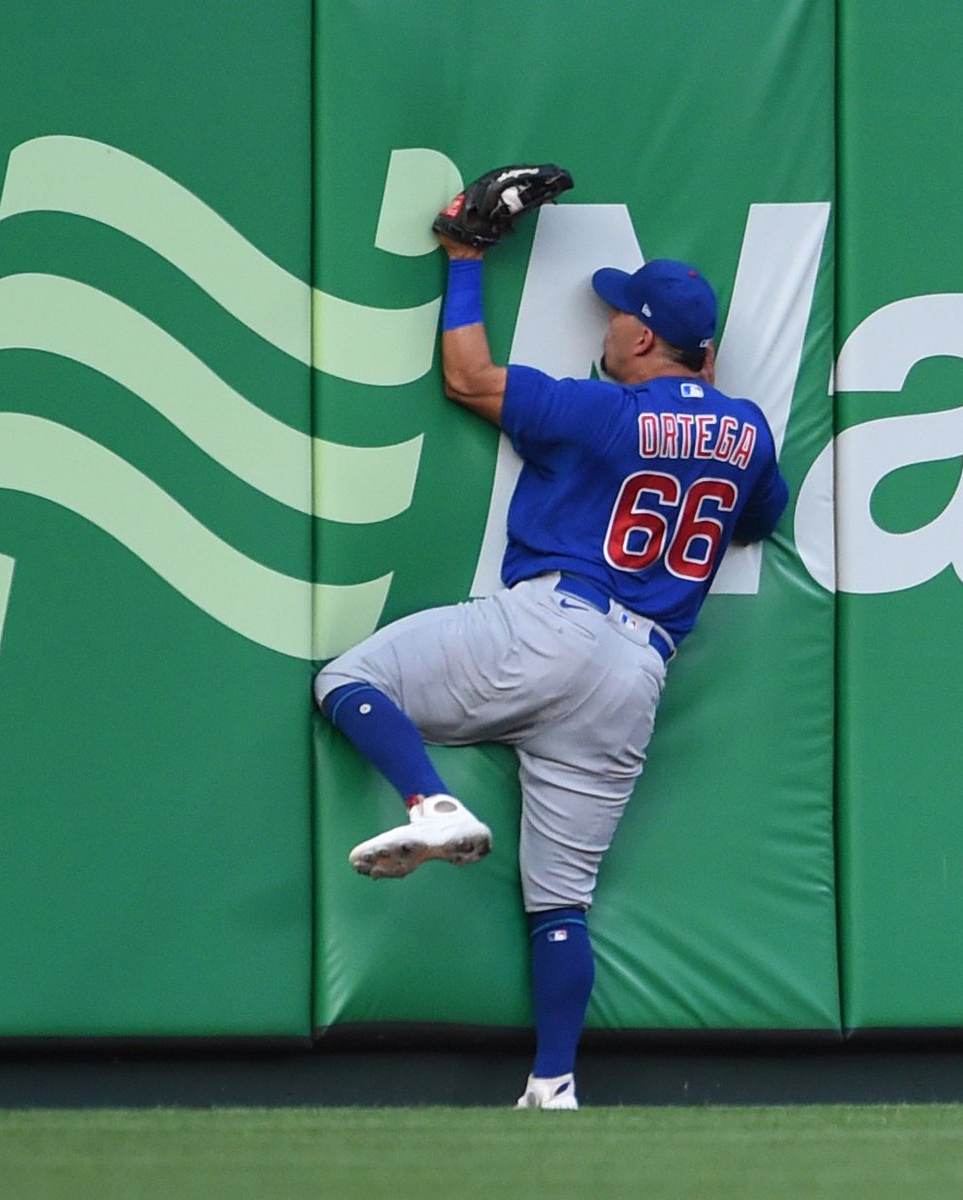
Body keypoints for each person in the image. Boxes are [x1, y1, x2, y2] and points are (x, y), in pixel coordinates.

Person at [313, 224, 788, 1110]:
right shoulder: (750, 432)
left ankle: (429, 802)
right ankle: (554, 1083)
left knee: (347, 681)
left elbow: (466, 376)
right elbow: (755, 518)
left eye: (618, 316)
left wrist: (462, 261)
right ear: (708, 352)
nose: (607, 327)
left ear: (644, 338)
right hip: (636, 677)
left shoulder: (605, 409)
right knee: (559, 905)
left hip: (555, 625)